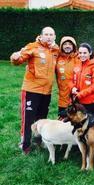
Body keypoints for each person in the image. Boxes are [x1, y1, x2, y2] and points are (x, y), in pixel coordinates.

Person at [10, 26, 59, 154]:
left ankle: (38, 141)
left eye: (51, 34)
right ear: (41, 36)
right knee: (28, 119)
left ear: (54, 37)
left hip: (46, 91)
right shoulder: (33, 46)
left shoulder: (55, 50)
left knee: (41, 118)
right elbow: (19, 58)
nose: (49, 37)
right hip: (31, 89)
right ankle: (24, 145)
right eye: (46, 34)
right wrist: (15, 58)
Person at [71, 43, 94, 114]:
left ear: (90, 52)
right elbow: (71, 79)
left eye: (85, 53)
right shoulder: (77, 63)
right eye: (80, 53)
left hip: (89, 102)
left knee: (88, 124)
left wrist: (81, 94)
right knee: (77, 123)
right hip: (77, 100)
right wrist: (72, 87)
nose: (82, 55)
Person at [56, 36, 80, 116]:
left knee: (77, 120)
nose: (67, 46)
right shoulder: (57, 57)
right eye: (65, 44)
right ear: (61, 46)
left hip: (77, 94)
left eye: (70, 44)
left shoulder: (79, 57)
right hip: (63, 95)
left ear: (74, 46)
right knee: (62, 120)